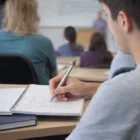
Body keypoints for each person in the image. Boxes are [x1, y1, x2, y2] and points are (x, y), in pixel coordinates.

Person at [50, 0, 140, 139]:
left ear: (123, 20)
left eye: (107, 15)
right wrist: (86, 88)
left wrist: (108, 91)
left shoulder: (121, 91)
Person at [0, 0, 57, 85]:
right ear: (33, 13)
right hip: (38, 95)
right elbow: (54, 76)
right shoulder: (44, 42)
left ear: (8, 11)